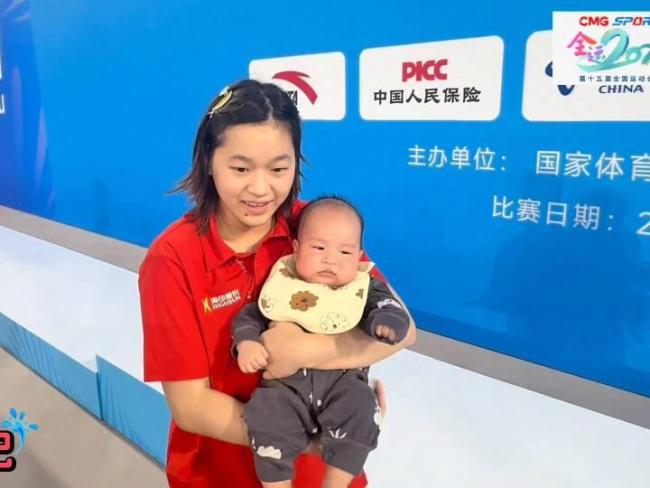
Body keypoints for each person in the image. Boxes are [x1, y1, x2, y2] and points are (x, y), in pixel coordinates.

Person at [138, 79, 416, 488]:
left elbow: (403, 329)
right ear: (208, 161)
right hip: (220, 474)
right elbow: (191, 406)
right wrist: (313, 441)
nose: (260, 188)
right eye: (240, 168)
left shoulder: (316, 227)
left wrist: (309, 356)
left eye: (278, 169)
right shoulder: (173, 259)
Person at [232, 196, 410, 487]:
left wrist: (387, 322)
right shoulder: (283, 285)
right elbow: (251, 315)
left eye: (345, 252)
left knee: (362, 409)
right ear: (296, 248)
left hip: (344, 384)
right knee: (264, 414)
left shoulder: (363, 289)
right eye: (318, 248)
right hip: (285, 389)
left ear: (358, 257)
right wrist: (246, 343)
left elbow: (388, 307)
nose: (331, 259)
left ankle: (336, 482)